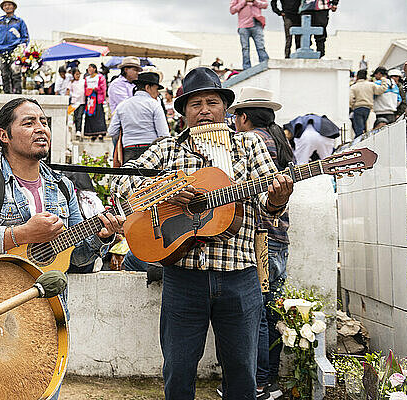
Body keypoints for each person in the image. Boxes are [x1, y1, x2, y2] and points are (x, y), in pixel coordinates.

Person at [110, 67, 293, 400]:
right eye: (195, 104)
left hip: (239, 276)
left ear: (226, 109)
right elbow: (121, 181)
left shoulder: (249, 145)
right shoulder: (167, 149)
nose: (205, 110)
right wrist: (162, 190)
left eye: (212, 102)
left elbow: (269, 199)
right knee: (178, 371)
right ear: (184, 114)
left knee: (242, 372)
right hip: (184, 278)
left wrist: (278, 199)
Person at [0, 97, 123, 268]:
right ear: (4, 135)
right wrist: (22, 234)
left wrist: (102, 237)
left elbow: (76, 257)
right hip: (0, 296)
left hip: (51, 299)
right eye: (29, 123)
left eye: (44, 123)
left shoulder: (64, 187)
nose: (41, 129)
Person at [228, 87, 294, 400]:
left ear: (243, 118)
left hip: (261, 240)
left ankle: (257, 382)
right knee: (270, 312)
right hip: (279, 238)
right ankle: (269, 381)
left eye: (235, 117)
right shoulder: (280, 139)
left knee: (257, 313)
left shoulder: (255, 142)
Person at [108, 71, 169, 164]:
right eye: (156, 89)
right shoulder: (154, 105)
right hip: (150, 151)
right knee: (150, 178)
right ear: (147, 87)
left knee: (129, 178)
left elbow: (112, 131)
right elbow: (164, 135)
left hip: (128, 149)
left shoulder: (122, 105)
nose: (157, 93)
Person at [0, 0, 29, 94]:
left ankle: (17, 95)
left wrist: (21, 48)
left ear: (13, 7)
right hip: (1, 50)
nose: (7, 7)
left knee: (16, 74)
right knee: (4, 74)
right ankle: (7, 95)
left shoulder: (19, 21)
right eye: (5, 5)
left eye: (9, 5)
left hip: (15, 50)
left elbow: (25, 37)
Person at [230, 0, 270, 70]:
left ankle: (265, 64)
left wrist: (254, 1)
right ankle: (246, 68)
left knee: (260, 46)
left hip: (257, 23)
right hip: (243, 25)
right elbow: (232, 10)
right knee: (245, 48)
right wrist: (244, 2)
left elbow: (265, 5)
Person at [350, 69, 388, 137]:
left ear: (357, 77)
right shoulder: (371, 85)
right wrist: (383, 79)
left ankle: (359, 144)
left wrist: (352, 106)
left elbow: (350, 99)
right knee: (369, 129)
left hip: (357, 108)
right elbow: (382, 89)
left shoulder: (354, 87)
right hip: (369, 109)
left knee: (359, 130)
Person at [83, 63, 107, 140]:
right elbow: (85, 87)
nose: (89, 69)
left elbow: (103, 87)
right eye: (88, 68)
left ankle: (100, 133)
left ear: (94, 69)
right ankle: (92, 133)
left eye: (91, 68)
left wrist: (95, 89)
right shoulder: (87, 78)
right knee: (90, 116)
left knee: (99, 115)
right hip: (90, 99)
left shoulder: (100, 77)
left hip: (97, 98)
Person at [69, 67, 85, 135]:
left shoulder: (83, 81)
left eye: (79, 74)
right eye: (76, 74)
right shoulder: (71, 83)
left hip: (82, 101)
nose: (78, 76)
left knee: (79, 116)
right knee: (75, 116)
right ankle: (76, 129)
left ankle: (79, 130)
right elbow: (69, 91)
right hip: (74, 101)